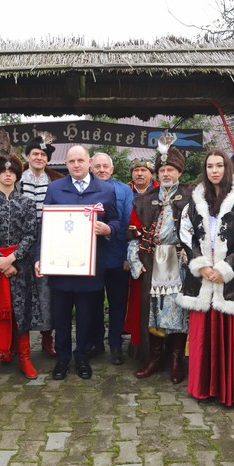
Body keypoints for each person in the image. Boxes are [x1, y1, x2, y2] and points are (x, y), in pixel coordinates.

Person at [178, 150, 234, 405]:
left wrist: (225, 268)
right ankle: (204, 387)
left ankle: (232, 389)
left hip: (231, 279)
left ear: (227, 168)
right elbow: (185, 234)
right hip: (202, 278)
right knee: (203, 335)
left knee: (232, 336)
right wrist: (201, 266)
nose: (214, 170)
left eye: (219, 165)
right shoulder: (195, 200)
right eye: (210, 166)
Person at [35, 144, 121, 381]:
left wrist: (107, 228)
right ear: (66, 164)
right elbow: (45, 227)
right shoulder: (55, 188)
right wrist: (39, 257)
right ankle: (63, 358)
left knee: (85, 315)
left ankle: (82, 356)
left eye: (80, 161)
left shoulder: (105, 189)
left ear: (89, 162)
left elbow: (115, 221)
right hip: (60, 265)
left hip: (89, 266)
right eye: (71, 162)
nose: (76, 165)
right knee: (61, 316)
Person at [126, 138, 192, 383]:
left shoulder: (190, 196)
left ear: (179, 172)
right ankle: (154, 357)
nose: (166, 173)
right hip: (153, 259)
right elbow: (133, 233)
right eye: (162, 170)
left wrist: (193, 255)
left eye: (170, 170)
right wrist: (135, 260)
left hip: (179, 259)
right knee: (153, 310)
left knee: (177, 310)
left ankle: (175, 358)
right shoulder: (144, 200)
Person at [0, 152, 41, 385]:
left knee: (20, 311)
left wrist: (12, 258)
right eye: (3, 171)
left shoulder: (27, 203)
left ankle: (24, 357)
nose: (7, 175)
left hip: (19, 267)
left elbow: (30, 234)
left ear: (16, 175)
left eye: (11, 171)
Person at [19, 133, 64, 357]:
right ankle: (18, 341)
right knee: (21, 291)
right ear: (27, 156)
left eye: (43, 155)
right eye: (35, 153)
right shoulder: (15, 179)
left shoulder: (56, 180)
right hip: (19, 243)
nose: (39, 158)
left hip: (50, 240)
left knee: (47, 291)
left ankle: (48, 337)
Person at [90, 152, 134, 364]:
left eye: (105, 166)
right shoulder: (84, 189)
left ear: (112, 168)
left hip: (117, 256)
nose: (101, 170)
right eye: (97, 166)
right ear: (91, 168)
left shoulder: (124, 190)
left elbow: (128, 223)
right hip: (91, 259)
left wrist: (128, 256)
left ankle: (115, 344)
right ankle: (96, 342)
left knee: (117, 303)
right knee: (93, 302)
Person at [123, 157, 159, 352]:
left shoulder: (161, 192)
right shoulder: (125, 192)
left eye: (144, 171)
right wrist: (129, 257)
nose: (139, 174)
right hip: (136, 254)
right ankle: (138, 341)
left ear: (151, 174)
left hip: (161, 256)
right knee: (137, 300)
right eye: (136, 170)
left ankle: (159, 345)